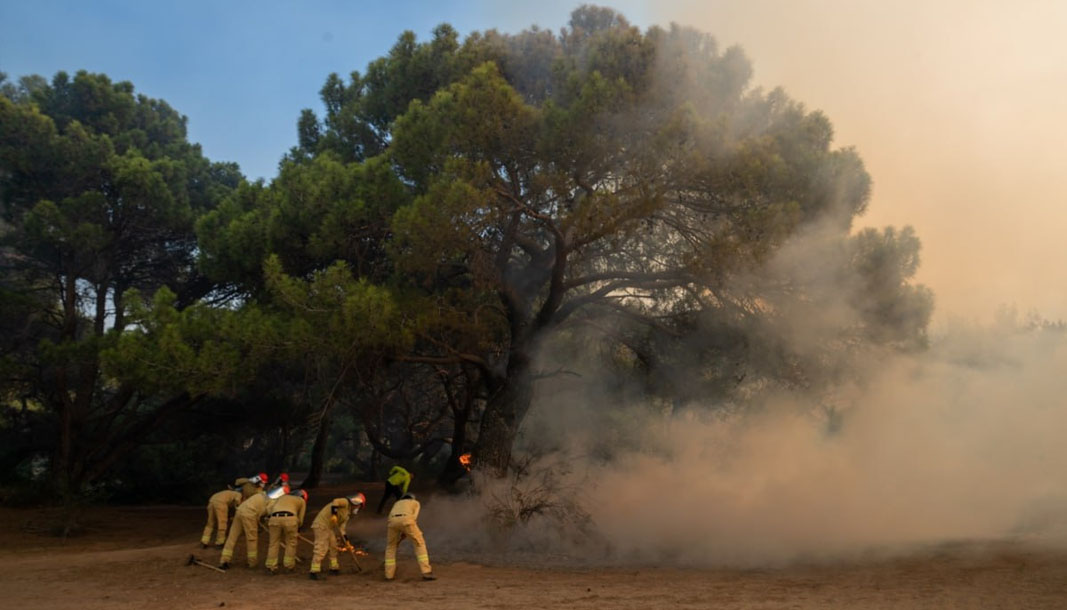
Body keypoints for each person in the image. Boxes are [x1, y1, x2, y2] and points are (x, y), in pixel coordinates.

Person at [219, 485, 285, 569]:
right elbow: (269, 513)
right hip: (249, 515)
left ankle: (224, 560)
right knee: (252, 539)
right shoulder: (273, 501)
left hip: (240, 511)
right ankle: (252, 562)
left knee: (232, 537)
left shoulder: (261, 494)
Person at [309, 492, 365, 580]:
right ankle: (314, 571)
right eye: (359, 506)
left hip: (329, 528)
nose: (358, 508)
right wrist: (334, 515)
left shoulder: (347, 515)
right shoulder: (345, 502)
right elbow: (335, 502)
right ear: (356, 502)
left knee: (333, 547)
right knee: (321, 548)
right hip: (321, 525)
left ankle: (334, 568)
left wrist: (347, 543)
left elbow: (342, 530)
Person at [384, 493, 435, 581]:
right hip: (407, 520)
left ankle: (389, 575)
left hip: (392, 522)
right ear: (412, 498)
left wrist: (403, 532)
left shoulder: (397, 503)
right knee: (419, 543)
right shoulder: (415, 502)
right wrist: (407, 530)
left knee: (391, 547)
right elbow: (413, 517)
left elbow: (392, 518)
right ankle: (426, 571)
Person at [265, 489, 307, 575]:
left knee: (273, 543)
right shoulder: (301, 501)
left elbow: (269, 508)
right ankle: (289, 566)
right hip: (290, 519)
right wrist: (298, 529)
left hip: (274, 519)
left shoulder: (281, 497)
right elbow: (301, 518)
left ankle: (271, 567)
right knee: (291, 543)